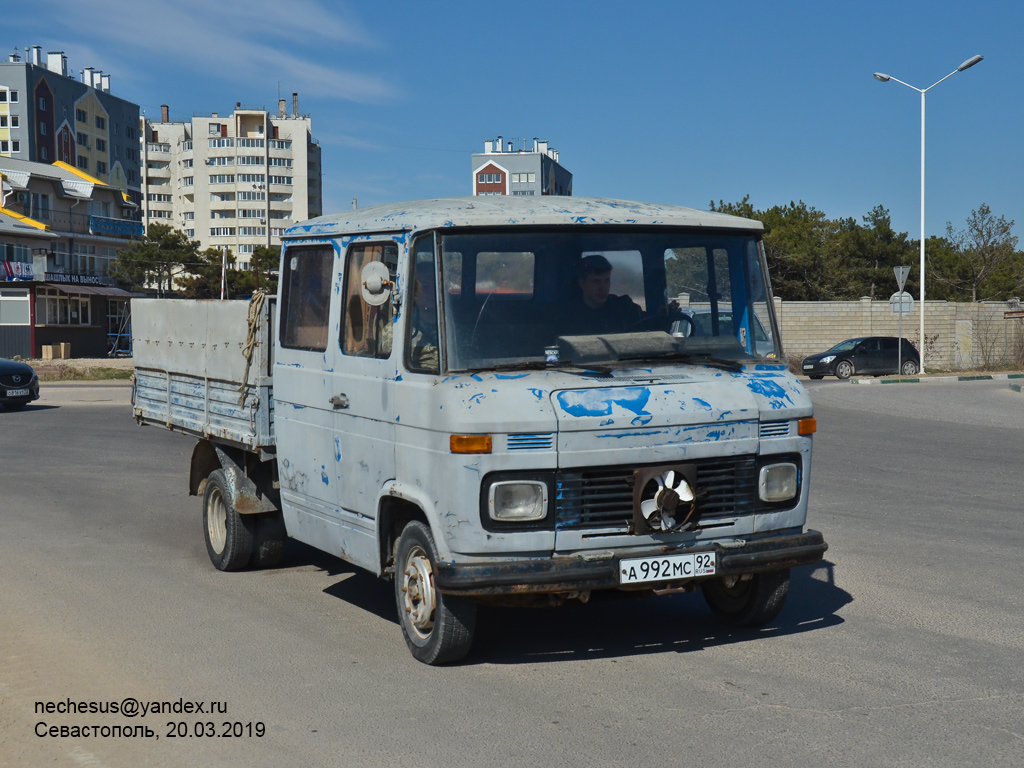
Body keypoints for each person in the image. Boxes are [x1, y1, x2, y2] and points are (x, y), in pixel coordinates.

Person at [567, 254, 642, 335]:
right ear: (582, 283)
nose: (603, 288)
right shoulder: (569, 317)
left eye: (606, 281)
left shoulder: (623, 307)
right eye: (596, 281)